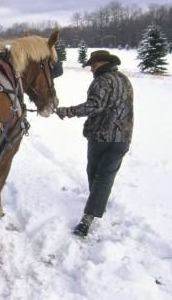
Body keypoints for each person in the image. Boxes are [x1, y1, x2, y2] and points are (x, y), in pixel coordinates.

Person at [55, 50, 133, 237]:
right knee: (105, 176)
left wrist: (68, 111)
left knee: (96, 174)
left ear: (101, 63)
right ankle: (98, 199)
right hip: (122, 138)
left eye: (93, 65)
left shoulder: (101, 81)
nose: (91, 69)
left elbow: (93, 106)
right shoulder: (125, 79)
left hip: (101, 137)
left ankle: (88, 217)